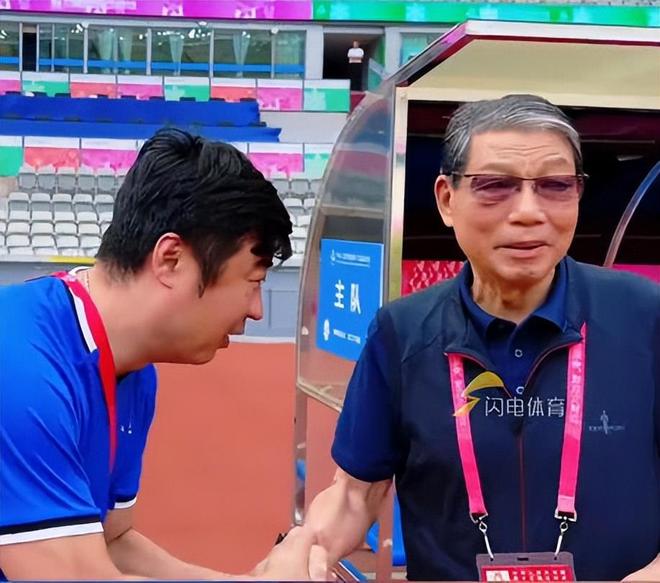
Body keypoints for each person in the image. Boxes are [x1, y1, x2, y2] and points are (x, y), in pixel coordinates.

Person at [304, 94, 660, 580]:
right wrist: (308, 549)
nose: (529, 212)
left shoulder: (645, 317)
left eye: (556, 185)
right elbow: (353, 494)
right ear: (446, 200)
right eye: (496, 185)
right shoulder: (401, 333)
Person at [0, 129, 326, 580]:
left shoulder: (133, 370)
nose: (256, 310)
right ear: (171, 259)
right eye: (253, 282)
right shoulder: (21, 365)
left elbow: (112, 539)